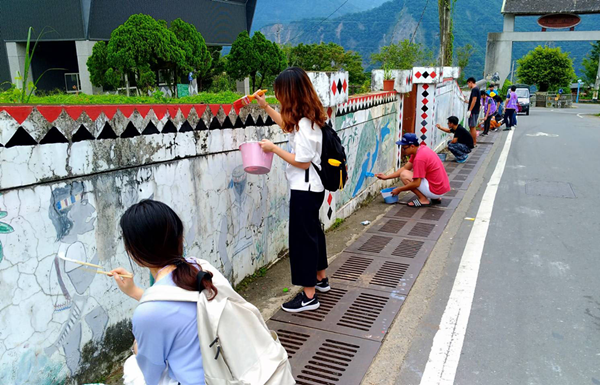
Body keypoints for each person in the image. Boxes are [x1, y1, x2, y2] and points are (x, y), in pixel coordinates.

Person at [110, 200, 217, 385]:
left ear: (133, 252)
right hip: (226, 369)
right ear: (179, 237)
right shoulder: (198, 268)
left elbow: (152, 376)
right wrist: (135, 291)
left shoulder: (147, 314)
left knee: (132, 366)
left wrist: (138, 349)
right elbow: (175, 306)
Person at [256, 67, 329, 313]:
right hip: (311, 189)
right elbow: (287, 126)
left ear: (290, 93)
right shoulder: (305, 120)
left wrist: (274, 149)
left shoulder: (306, 124)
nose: (277, 97)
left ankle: (309, 296)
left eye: (278, 93)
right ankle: (320, 278)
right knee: (313, 234)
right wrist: (266, 107)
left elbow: (303, 160)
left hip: (305, 190)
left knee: (303, 240)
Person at [376, 133, 451, 207]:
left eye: (404, 148)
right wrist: (386, 177)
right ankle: (436, 198)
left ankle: (423, 200)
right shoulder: (421, 149)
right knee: (405, 172)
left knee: (404, 175)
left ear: (412, 146)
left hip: (436, 191)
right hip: (441, 188)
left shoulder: (419, 158)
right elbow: (405, 167)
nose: (403, 150)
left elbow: (416, 183)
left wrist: (399, 189)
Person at [466, 77, 481, 146]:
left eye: (468, 84)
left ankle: (474, 143)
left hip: (473, 111)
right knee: (472, 126)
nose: (468, 86)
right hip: (476, 110)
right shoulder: (477, 89)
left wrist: (470, 110)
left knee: (472, 127)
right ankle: (474, 142)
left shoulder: (474, 89)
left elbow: (474, 100)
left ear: (470, 82)